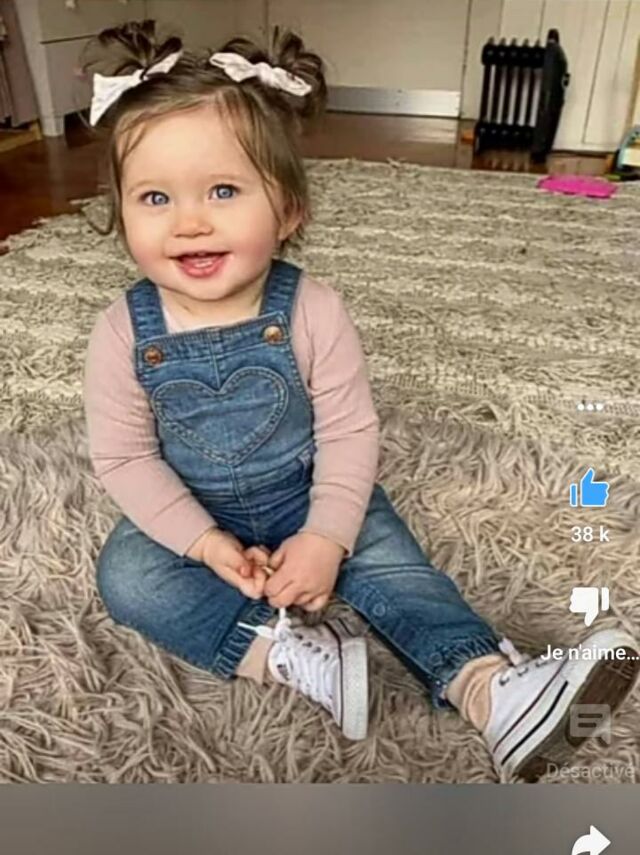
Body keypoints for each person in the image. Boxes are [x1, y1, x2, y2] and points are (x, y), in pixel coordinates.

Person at [82, 19, 639, 782]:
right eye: (154, 197)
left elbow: (348, 433)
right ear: (120, 214)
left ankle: (491, 689)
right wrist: (203, 543)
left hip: (308, 488)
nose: (189, 221)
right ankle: (283, 653)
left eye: (223, 190)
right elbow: (124, 458)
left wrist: (327, 535)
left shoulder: (313, 309)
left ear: (289, 209)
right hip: (194, 506)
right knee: (126, 573)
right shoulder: (121, 331)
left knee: (393, 564)